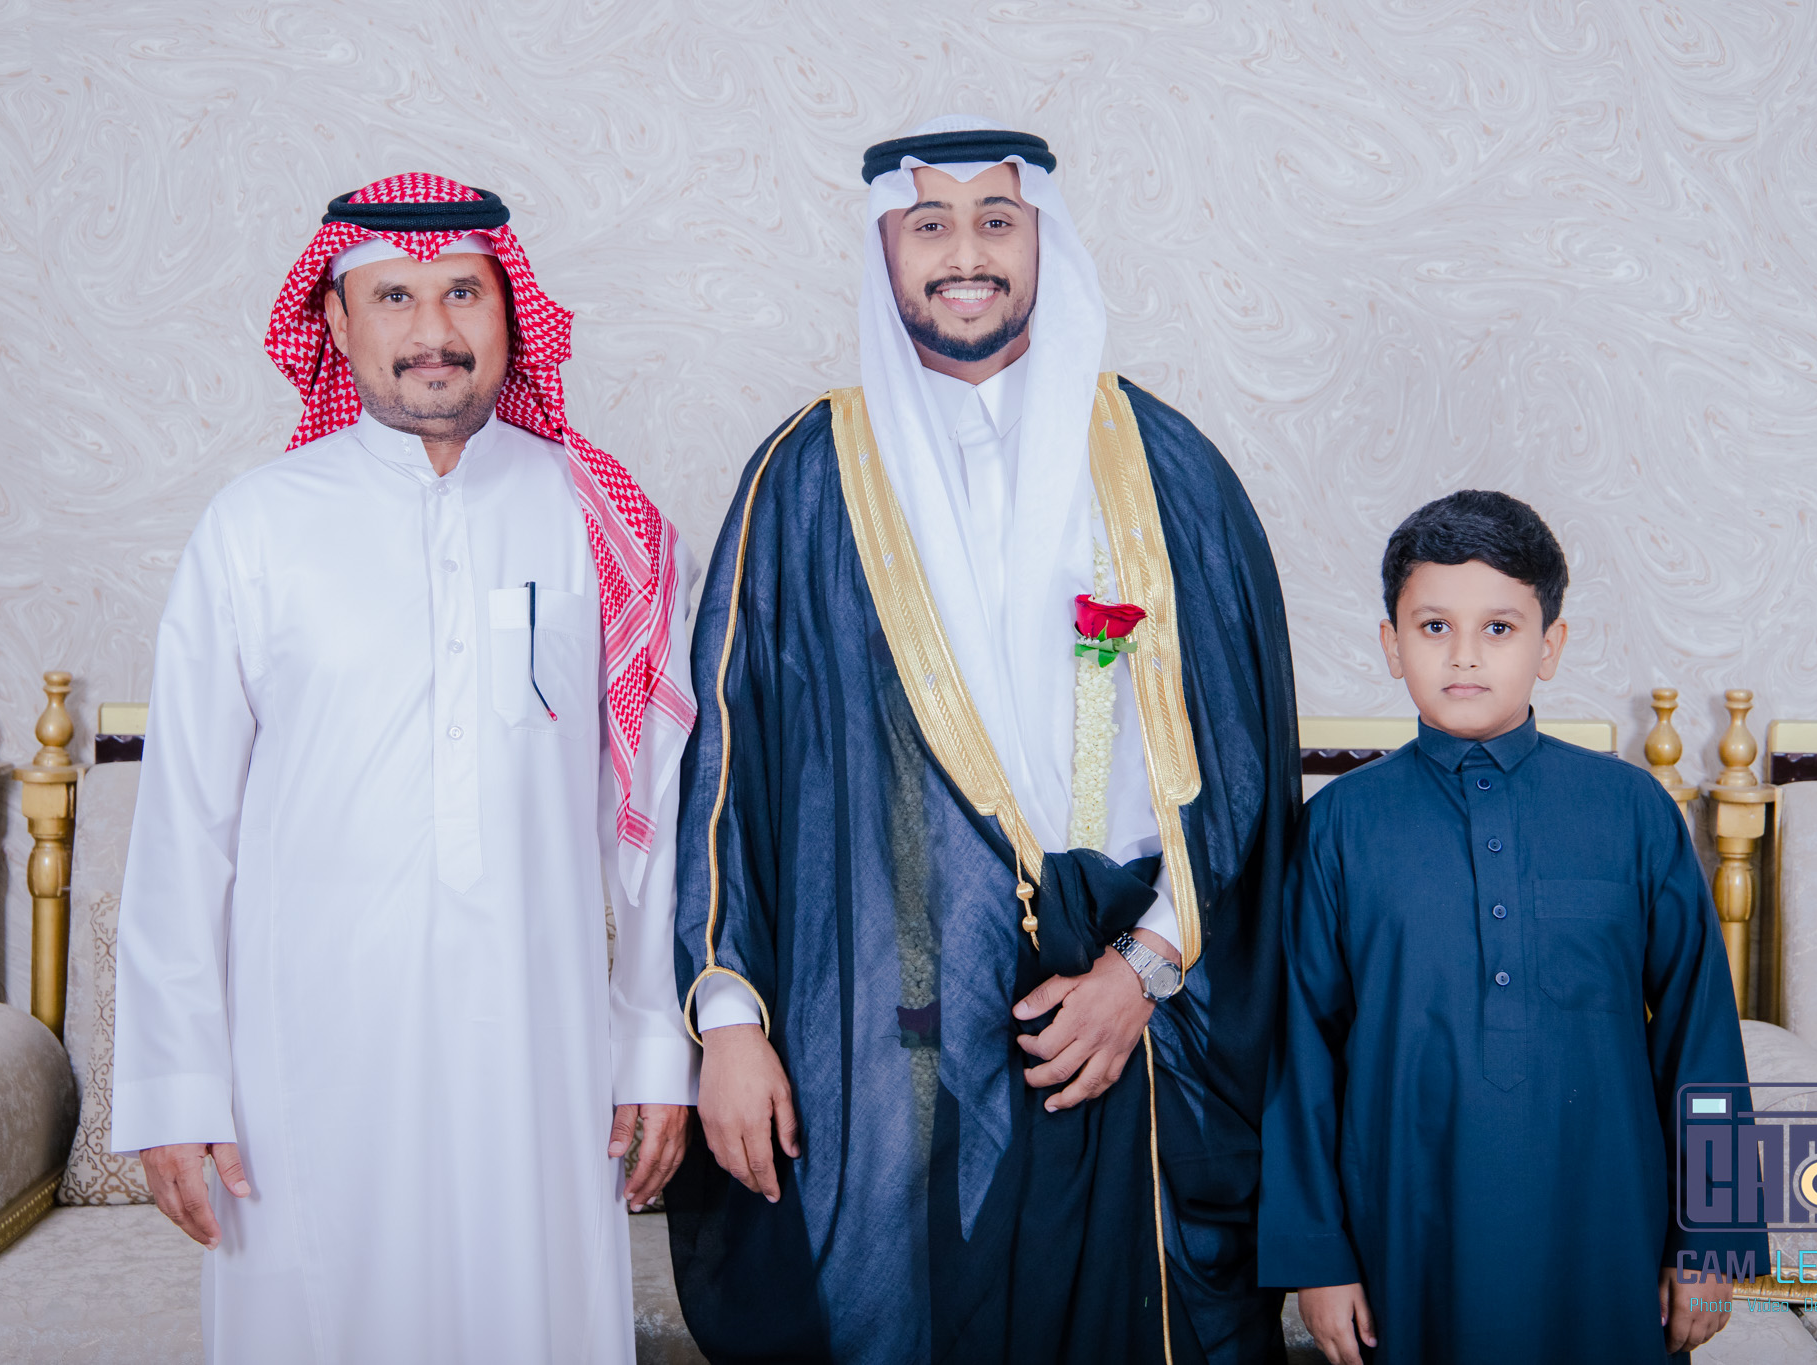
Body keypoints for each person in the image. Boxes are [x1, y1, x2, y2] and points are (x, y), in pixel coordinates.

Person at [667, 117, 1301, 1364]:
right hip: (892, 1025)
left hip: (1132, 1016)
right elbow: (727, 767)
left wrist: (1143, 969)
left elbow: (1238, 765)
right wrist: (729, 1021)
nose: (966, 255)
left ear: (1042, 241)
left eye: (996, 222)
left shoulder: (1164, 467)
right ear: (885, 251)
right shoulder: (804, 479)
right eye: (930, 225)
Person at [111, 174, 700, 1363]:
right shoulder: (253, 527)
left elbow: (654, 821)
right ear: (333, 320)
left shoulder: (597, 518)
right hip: (304, 1067)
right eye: (392, 296)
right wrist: (176, 1085)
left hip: (535, 1059)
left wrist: (653, 1050)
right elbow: (183, 833)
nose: (433, 329)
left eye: (462, 293)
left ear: (509, 311)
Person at [1259, 490, 1764, 1363]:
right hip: (1406, 1233)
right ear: (1391, 644)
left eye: (1499, 627)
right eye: (1433, 626)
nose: (1464, 654)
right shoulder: (1340, 824)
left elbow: (1702, 1033)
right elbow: (1300, 1050)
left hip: (1607, 1230)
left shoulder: (1632, 810)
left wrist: (1712, 1234)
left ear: (1550, 645)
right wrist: (1317, 1255)